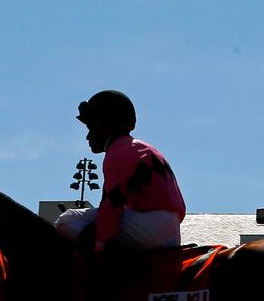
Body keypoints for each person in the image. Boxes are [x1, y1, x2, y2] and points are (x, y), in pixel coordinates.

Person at [54, 90, 186, 255]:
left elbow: (111, 205)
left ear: (104, 123)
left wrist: (99, 244)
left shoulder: (118, 151)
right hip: (171, 230)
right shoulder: (141, 147)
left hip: (149, 228)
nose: (88, 136)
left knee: (66, 220)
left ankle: (108, 260)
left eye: (91, 127)